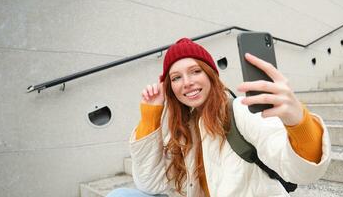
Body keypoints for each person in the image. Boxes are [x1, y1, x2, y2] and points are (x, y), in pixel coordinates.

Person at [107, 38, 330, 197]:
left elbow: (301, 171)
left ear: (211, 75)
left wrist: (297, 120)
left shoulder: (239, 110)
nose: (187, 82)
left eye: (195, 71)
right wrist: (150, 116)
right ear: (170, 87)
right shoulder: (182, 126)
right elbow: (149, 184)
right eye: (176, 77)